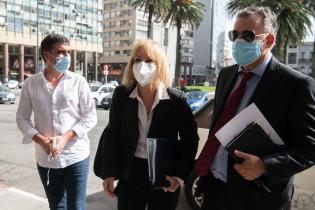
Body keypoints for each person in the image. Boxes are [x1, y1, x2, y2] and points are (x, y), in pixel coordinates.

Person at [194, 6, 315, 210]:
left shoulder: (295, 85)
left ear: (269, 40)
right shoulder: (226, 75)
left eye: (248, 35)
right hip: (214, 192)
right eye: (235, 35)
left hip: (258, 200)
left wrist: (265, 166)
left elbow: (310, 149)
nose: (239, 41)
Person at [96, 39, 199, 210]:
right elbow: (113, 134)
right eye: (137, 60)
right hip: (131, 172)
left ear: (160, 65)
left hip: (165, 175)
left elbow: (190, 139)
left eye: (149, 60)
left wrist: (179, 177)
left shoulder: (176, 100)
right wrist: (109, 173)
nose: (142, 65)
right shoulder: (121, 95)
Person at [16, 34, 97, 210]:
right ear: (46, 55)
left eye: (68, 52)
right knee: (56, 206)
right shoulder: (31, 84)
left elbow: (90, 116)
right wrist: (41, 141)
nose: (66, 56)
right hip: (46, 159)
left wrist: (65, 138)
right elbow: (22, 118)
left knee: (77, 206)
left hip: (76, 156)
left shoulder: (78, 82)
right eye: (61, 52)